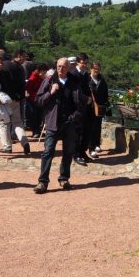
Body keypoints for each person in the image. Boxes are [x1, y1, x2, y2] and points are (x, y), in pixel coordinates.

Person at [34, 58, 86, 194]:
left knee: (68, 152)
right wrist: (50, 92)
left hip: (69, 123)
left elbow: (81, 104)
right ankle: (42, 182)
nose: (60, 69)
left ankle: (64, 178)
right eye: (58, 66)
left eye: (63, 66)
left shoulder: (74, 82)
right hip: (52, 122)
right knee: (47, 152)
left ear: (68, 68)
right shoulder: (49, 81)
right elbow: (38, 101)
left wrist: (74, 117)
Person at [72, 52, 93, 166]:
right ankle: (75, 155)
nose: (85, 65)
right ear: (77, 62)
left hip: (85, 107)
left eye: (86, 63)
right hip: (77, 107)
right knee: (77, 132)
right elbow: (75, 92)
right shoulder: (73, 74)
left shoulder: (85, 74)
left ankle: (82, 152)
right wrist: (86, 99)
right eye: (83, 63)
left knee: (86, 131)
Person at [87, 61, 109, 159]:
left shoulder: (101, 79)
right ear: (91, 69)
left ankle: (96, 144)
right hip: (89, 108)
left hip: (99, 107)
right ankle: (91, 148)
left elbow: (105, 92)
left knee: (98, 126)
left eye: (98, 69)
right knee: (91, 128)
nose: (96, 70)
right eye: (94, 68)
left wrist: (105, 103)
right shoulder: (87, 79)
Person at [24, 63, 48, 137]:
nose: (45, 73)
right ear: (40, 71)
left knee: (39, 116)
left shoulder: (41, 77)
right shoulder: (33, 78)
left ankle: (38, 130)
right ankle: (35, 131)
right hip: (33, 99)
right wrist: (34, 97)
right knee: (34, 116)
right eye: (44, 71)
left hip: (39, 99)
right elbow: (28, 89)